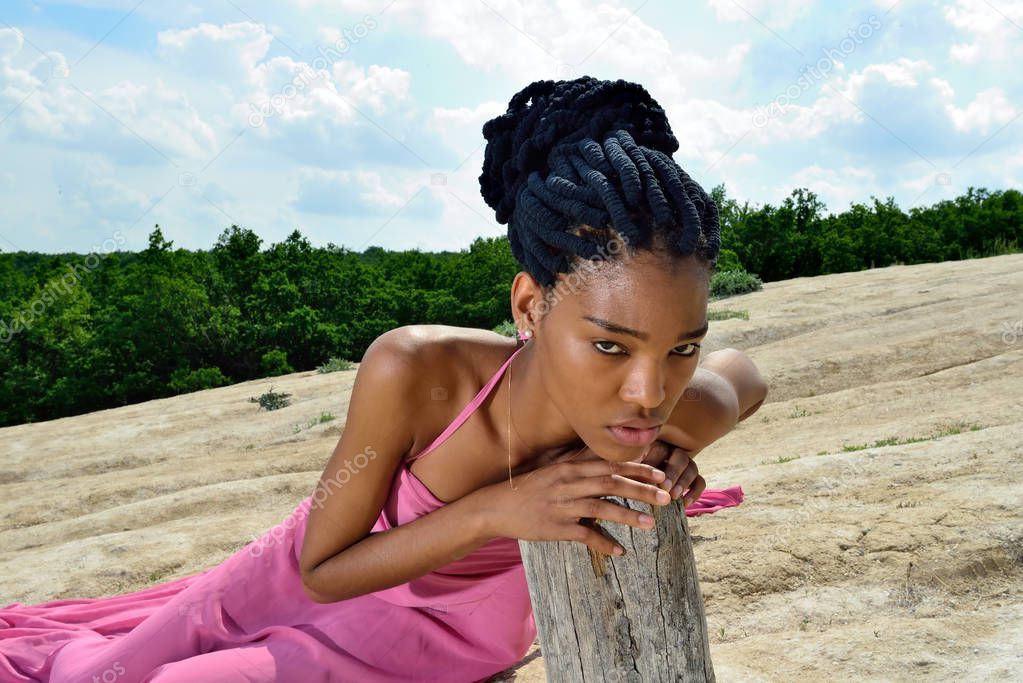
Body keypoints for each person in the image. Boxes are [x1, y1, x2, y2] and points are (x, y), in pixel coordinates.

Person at [0, 75, 754, 682]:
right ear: (529, 304)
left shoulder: (660, 409)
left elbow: (743, 375)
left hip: (438, 638)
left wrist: (668, 445)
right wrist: (498, 508)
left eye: (682, 348)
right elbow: (321, 570)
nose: (649, 392)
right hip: (307, 573)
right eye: (610, 347)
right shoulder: (419, 370)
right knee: (107, 670)